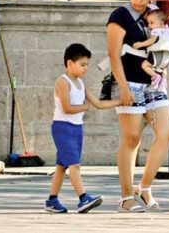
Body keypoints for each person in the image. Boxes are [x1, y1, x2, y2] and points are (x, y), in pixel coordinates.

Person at [106, 0, 169, 213]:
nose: (138, 0)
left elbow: (163, 48)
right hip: (128, 81)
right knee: (132, 139)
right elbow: (113, 54)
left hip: (154, 82)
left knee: (166, 132)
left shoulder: (156, 16)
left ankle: (144, 186)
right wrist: (122, 89)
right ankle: (125, 196)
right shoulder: (120, 16)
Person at [45, 43, 121, 214]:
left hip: (76, 128)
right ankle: (83, 198)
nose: (86, 68)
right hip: (62, 128)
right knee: (74, 165)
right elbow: (66, 107)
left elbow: (99, 103)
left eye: (87, 65)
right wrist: (84, 107)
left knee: (61, 166)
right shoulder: (62, 82)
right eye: (83, 64)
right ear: (70, 63)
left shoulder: (81, 83)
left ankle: (52, 201)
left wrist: (120, 101)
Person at [133, 9, 169, 93]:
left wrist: (140, 44)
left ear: (161, 23)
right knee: (163, 70)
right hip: (167, 58)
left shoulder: (155, 31)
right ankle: (162, 84)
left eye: (151, 23)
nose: (149, 25)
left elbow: (151, 41)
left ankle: (155, 76)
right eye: (148, 23)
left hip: (157, 55)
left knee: (145, 65)